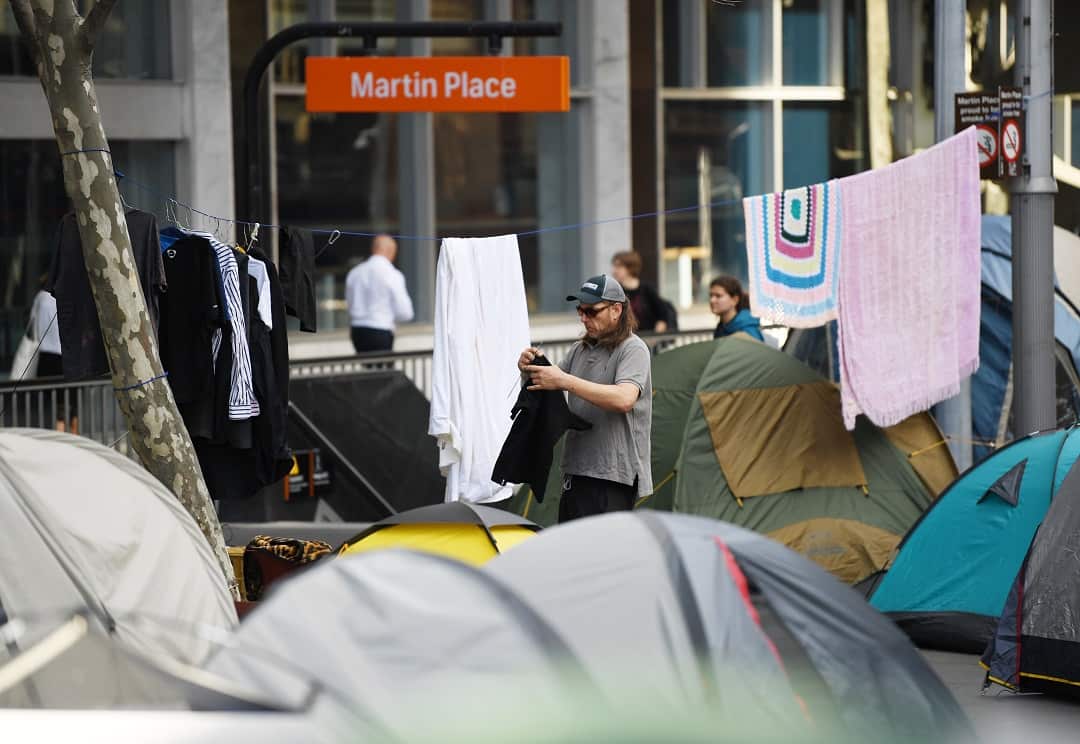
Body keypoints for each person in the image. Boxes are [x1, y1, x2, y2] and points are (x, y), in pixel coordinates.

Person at [518, 274, 653, 523]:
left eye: (591, 311)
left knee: (602, 558)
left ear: (616, 309)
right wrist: (529, 369)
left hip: (613, 476)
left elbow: (624, 399)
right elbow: (550, 385)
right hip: (576, 471)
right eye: (580, 310)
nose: (583, 317)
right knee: (575, 557)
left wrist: (564, 381)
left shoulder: (633, 348)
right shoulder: (580, 348)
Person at [345, 234, 414, 353]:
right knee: (383, 369)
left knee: (367, 370)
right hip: (380, 329)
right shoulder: (392, 274)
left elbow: (350, 304)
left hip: (357, 331)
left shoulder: (355, 272)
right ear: (391, 251)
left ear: (373, 249)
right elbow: (405, 312)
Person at [610, 250, 669, 332]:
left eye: (618, 266)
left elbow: (663, 315)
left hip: (648, 340)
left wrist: (655, 336)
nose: (614, 271)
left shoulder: (647, 289)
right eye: (614, 266)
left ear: (630, 268)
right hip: (625, 340)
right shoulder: (615, 292)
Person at [710, 275, 764, 342]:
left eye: (718, 296)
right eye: (711, 295)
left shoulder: (748, 331)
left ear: (735, 300)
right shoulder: (721, 328)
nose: (712, 300)